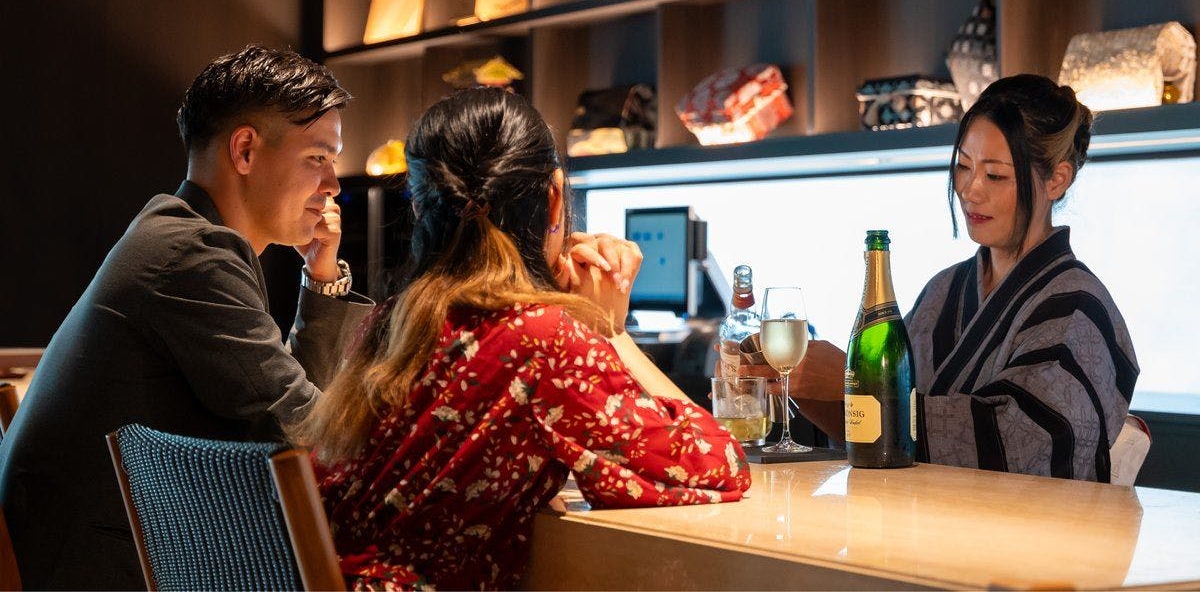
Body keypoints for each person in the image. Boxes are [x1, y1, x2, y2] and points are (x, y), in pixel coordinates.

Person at [303, 88, 750, 590]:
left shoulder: (390, 320)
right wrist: (609, 331)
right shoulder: (542, 340)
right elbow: (719, 463)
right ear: (554, 196)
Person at [0, 46, 374, 589]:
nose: (334, 184)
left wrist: (321, 278)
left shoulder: (178, 235)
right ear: (244, 150)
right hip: (96, 571)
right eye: (318, 157)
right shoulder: (192, 257)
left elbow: (296, 432)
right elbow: (307, 434)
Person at [755, 74, 1138, 482]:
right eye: (963, 167)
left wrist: (848, 381)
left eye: (995, 176)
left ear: (1057, 179)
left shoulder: (1078, 307)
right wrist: (802, 385)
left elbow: (1023, 447)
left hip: (1023, 522)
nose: (970, 190)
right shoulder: (944, 291)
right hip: (916, 512)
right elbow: (882, 435)